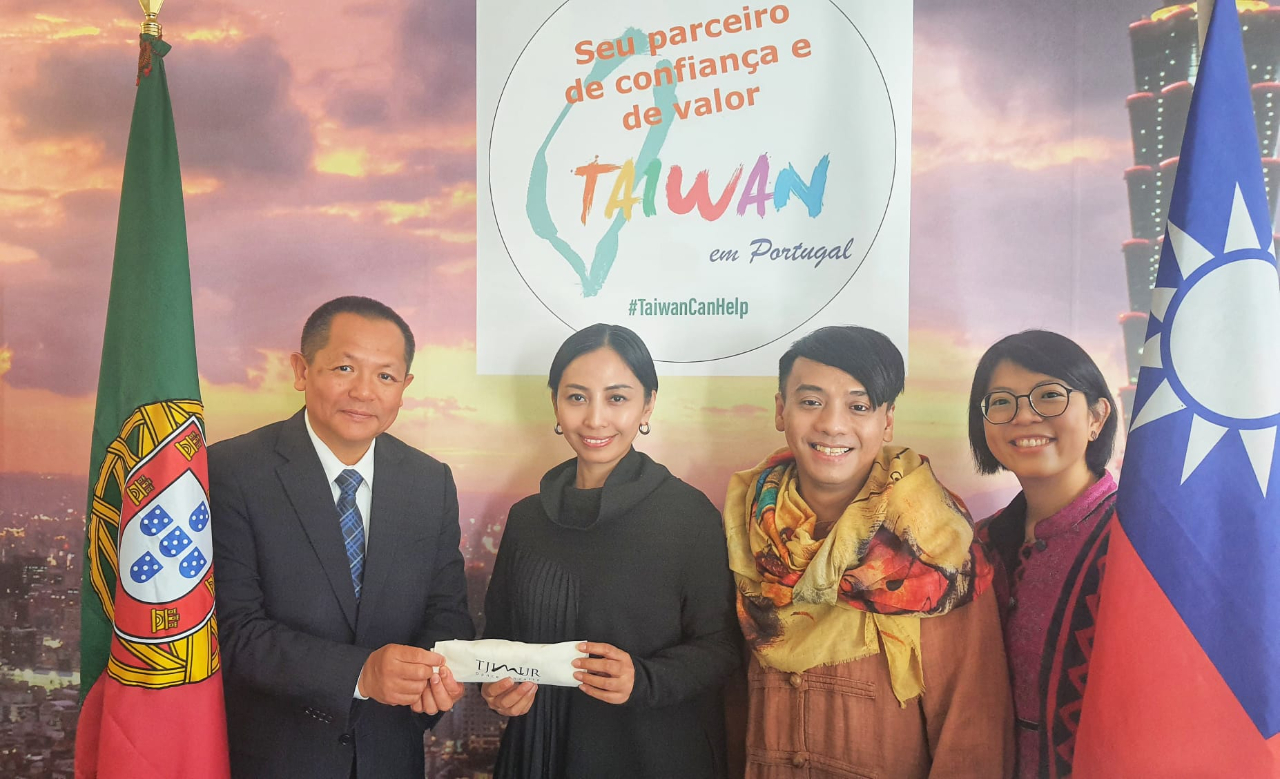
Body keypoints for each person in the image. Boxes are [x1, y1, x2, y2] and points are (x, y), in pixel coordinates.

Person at [724, 325, 1014, 778]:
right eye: (811, 402)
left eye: (858, 406)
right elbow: (730, 702)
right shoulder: (746, 528)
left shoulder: (936, 545)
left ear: (888, 421)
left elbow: (971, 731)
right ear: (781, 410)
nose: (832, 424)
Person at [209, 296, 475, 779]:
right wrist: (360, 673)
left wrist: (435, 678)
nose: (364, 391)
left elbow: (447, 611)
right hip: (273, 760)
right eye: (345, 368)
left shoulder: (429, 481)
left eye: (385, 376)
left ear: (404, 388)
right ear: (301, 370)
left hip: (390, 756)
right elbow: (231, 630)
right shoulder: (232, 471)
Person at [481, 323, 741, 778]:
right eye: (577, 397)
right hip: (539, 751)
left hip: (649, 753)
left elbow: (722, 648)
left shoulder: (687, 514)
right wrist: (495, 687)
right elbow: (499, 638)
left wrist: (644, 679)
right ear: (555, 403)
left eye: (617, 398)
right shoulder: (527, 519)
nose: (595, 419)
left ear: (648, 404)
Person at [969, 330, 1118, 779]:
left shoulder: (1139, 546)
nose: (1023, 416)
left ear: (1096, 416)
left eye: (1049, 395)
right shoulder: (976, 543)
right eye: (1001, 402)